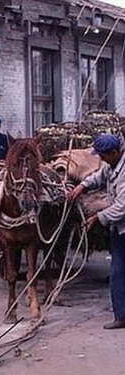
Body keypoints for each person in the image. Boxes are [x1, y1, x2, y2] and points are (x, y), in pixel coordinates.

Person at [68, 134, 125, 330]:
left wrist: (97, 217)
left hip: (122, 225)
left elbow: (121, 207)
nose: (101, 159)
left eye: (103, 155)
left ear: (114, 152)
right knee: (117, 272)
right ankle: (122, 315)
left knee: (119, 271)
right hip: (119, 229)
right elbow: (100, 175)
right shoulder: (112, 164)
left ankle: (122, 315)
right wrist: (83, 185)